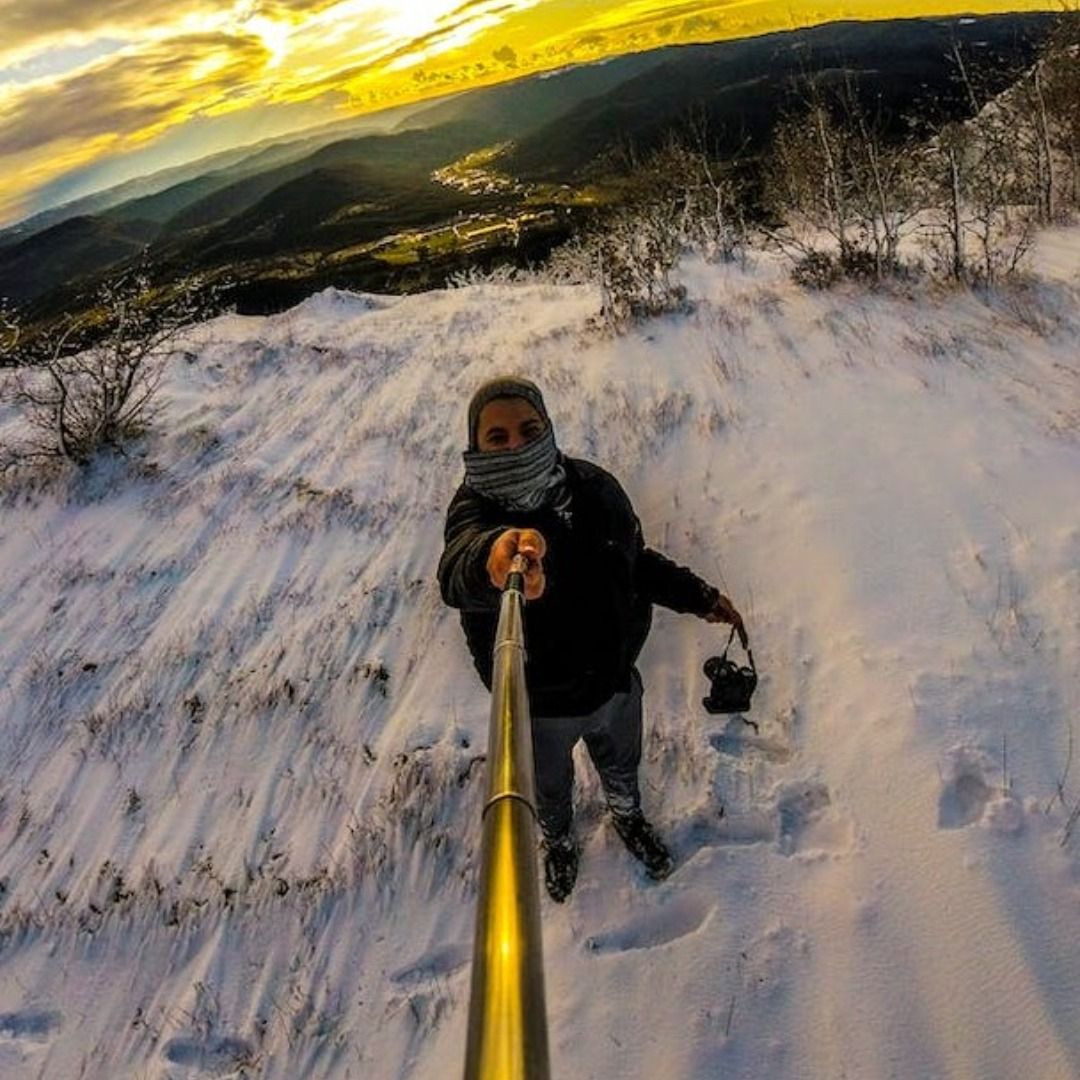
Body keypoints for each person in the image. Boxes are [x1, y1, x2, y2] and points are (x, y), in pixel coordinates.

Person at [438, 376, 746, 902]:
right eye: (497, 437)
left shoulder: (594, 488)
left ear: (548, 429)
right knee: (551, 789)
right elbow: (458, 568)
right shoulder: (476, 514)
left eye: (528, 429)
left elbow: (634, 564)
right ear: (476, 446)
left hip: (614, 684)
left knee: (621, 765)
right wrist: (496, 562)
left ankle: (627, 816)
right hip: (538, 707)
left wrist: (699, 596)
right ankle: (558, 841)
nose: (516, 444)